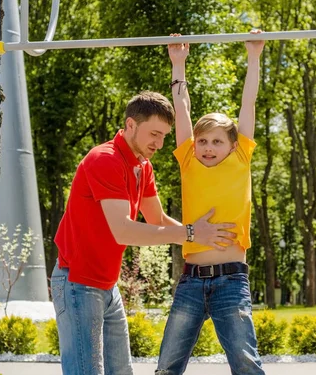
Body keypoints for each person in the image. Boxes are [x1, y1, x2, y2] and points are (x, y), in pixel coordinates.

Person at [50, 91, 237, 375]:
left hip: (107, 284)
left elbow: (157, 218)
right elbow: (124, 231)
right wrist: (190, 233)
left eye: (164, 136)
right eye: (154, 134)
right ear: (130, 125)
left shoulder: (142, 166)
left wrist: (206, 245)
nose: (159, 144)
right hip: (77, 282)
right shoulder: (105, 159)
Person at [156, 31, 265, 375]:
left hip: (231, 281)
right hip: (190, 280)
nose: (207, 147)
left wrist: (254, 56)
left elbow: (248, 103)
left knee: (247, 366)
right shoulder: (189, 161)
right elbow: (181, 108)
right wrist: (178, 65)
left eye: (217, 141)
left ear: (232, 145)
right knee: (167, 366)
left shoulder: (241, 158)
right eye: (202, 140)